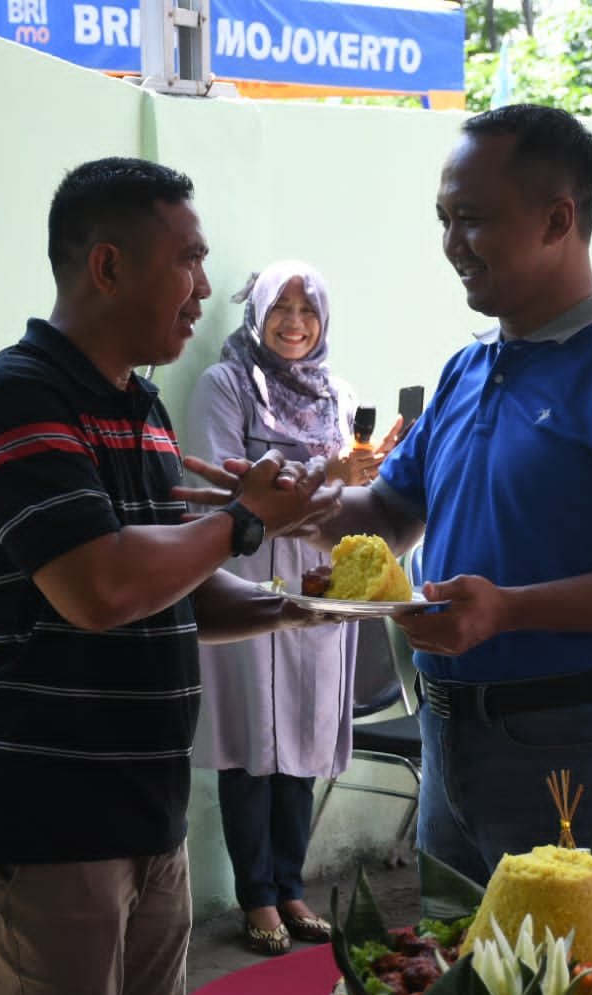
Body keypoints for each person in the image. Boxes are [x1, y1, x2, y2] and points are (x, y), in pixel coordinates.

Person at [185, 105, 592, 885]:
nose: (451, 246)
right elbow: (385, 516)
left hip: (577, 739)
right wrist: (289, 510)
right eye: (443, 220)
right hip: (450, 734)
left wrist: (509, 609)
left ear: (557, 219)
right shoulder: (466, 371)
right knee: (462, 984)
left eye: (472, 220)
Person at [0, 158, 339, 995]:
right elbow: (102, 587)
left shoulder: (140, 410)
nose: (202, 291)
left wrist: (296, 607)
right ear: (106, 267)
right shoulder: (15, 397)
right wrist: (241, 522)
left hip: (144, 819)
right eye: (188, 261)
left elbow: (170, 594)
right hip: (46, 822)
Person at [183, 260, 400, 955]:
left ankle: (290, 884)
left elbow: (345, 501)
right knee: (253, 742)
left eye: (308, 312)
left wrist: (367, 478)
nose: (295, 324)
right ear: (259, 314)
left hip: (317, 582)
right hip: (250, 579)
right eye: (283, 308)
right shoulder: (226, 385)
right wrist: (326, 475)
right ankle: (256, 897)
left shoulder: (338, 393)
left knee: (301, 739)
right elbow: (226, 492)